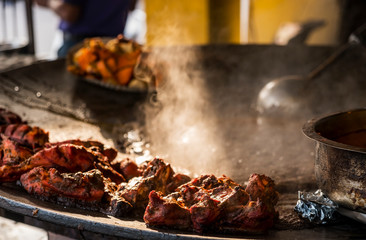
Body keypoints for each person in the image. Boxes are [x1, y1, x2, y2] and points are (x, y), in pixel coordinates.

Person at [33, 0, 134, 57]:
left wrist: (48, 2)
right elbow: (132, 6)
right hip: (114, 46)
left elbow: (70, 13)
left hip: (81, 49)